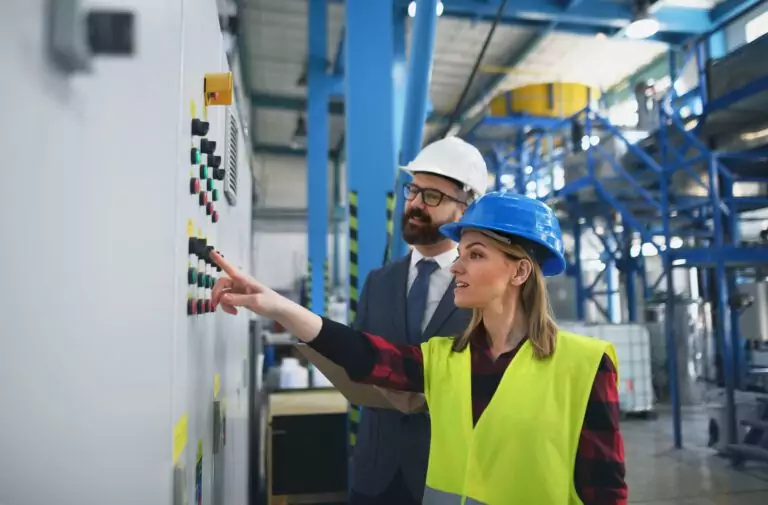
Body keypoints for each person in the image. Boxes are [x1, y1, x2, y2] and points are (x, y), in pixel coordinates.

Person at [210, 190, 628, 505]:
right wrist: (277, 306)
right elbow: (362, 354)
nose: (458, 266)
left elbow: (604, 488)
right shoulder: (444, 358)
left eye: (475, 255)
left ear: (519, 270)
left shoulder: (585, 365)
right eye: (460, 253)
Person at [338, 136, 488, 505]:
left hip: (450, 476)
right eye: (413, 191)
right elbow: (360, 358)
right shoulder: (379, 281)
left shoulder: (484, 287)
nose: (416, 204)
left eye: (432, 196)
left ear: (465, 210)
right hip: (375, 473)